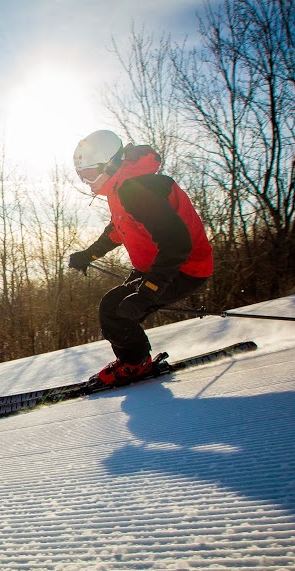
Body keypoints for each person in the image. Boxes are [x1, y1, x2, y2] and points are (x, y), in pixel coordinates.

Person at [68, 130, 213, 386]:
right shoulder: (122, 187)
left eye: (89, 174)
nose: (87, 182)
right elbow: (119, 230)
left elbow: (177, 243)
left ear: (110, 164)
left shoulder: (135, 190)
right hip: (158, 264)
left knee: (115, 310)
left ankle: (136, 364)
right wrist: (87, 255)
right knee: (118, 310)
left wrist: (148, 292)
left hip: (186, 267)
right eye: (82, 176)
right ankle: (136, 359)